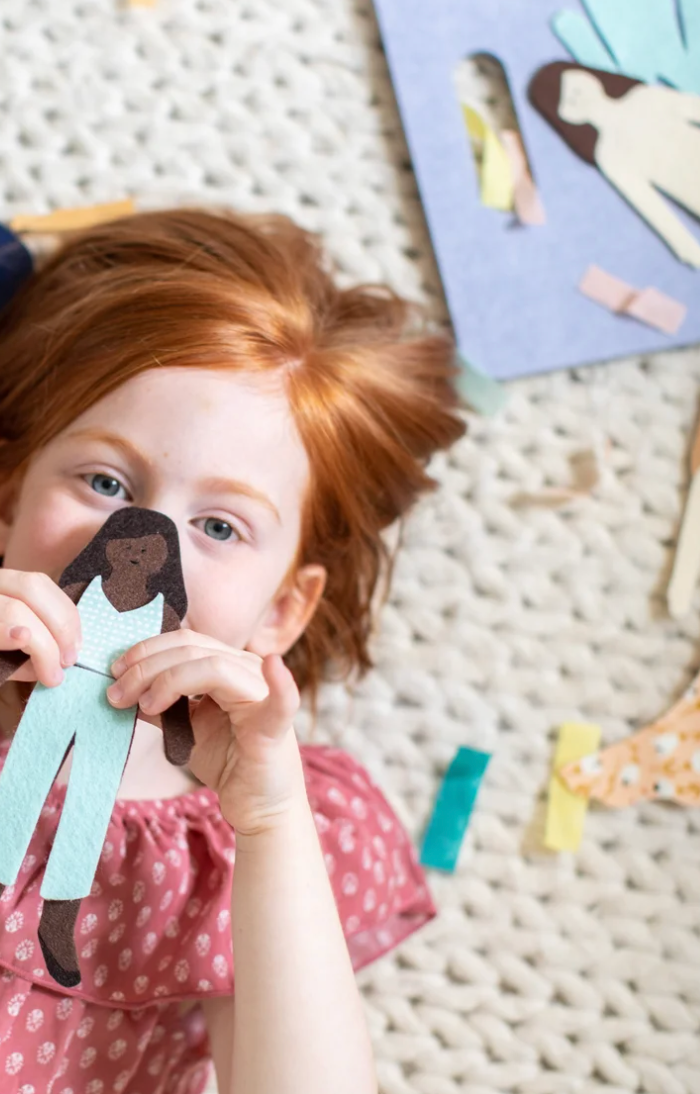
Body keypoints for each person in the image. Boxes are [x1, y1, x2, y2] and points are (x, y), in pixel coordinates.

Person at [0, 208, 465, 1094]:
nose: (143, 537)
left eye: (219, 525)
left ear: (281, 610)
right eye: (106, 481)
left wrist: (272, 821)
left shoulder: (241, 847)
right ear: (9, 495)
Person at [528, 61, 700, 267]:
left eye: (575, 88)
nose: (577, 96)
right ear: (566, 116)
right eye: (569, 99)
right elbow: (649, 205)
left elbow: (693, 107)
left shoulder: (644, 98)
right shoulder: (608, 154)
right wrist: (689, 249)